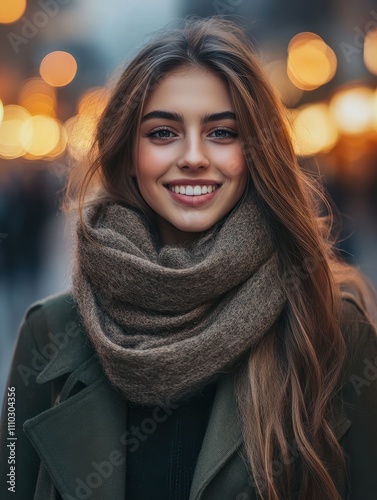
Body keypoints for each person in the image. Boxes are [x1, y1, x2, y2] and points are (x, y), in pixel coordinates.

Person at [1, 16, 377, 500]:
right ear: (128, 154)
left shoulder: (329, 327)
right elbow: (11, 480)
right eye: (162, 133)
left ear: (257, 152)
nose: (194, 156)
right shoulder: (48, 332)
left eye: (222, 133)